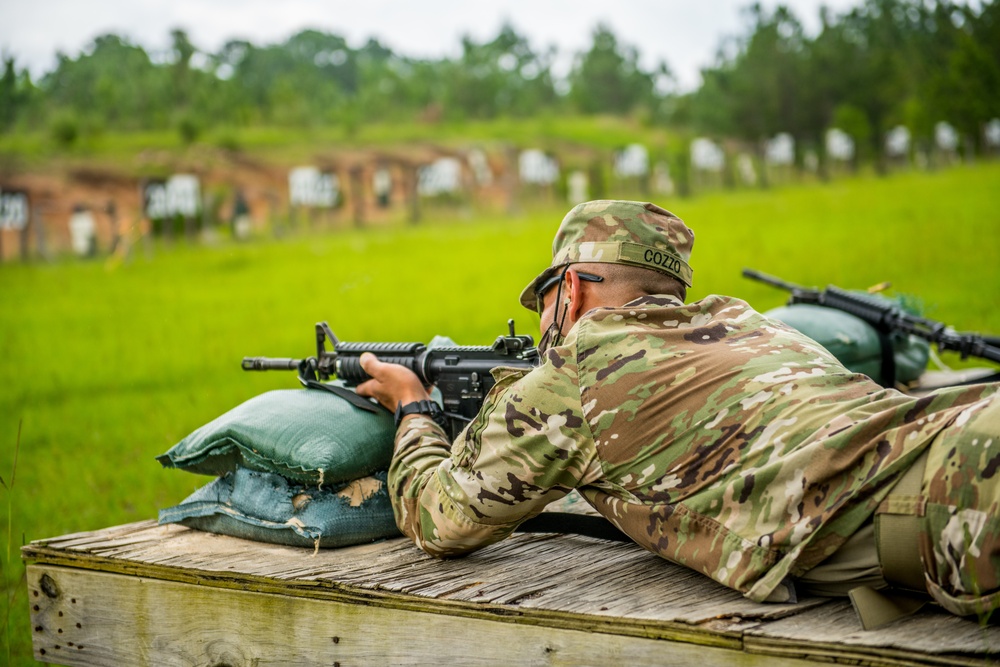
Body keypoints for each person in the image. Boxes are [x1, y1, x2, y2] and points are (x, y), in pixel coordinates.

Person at [356, 200, 999, 628]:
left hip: (958, 498)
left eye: (546, 298)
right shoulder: (751, 325)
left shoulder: (576, 374)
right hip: (964, 432)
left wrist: (412, 408)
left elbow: (441, 520)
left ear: (571, 288)